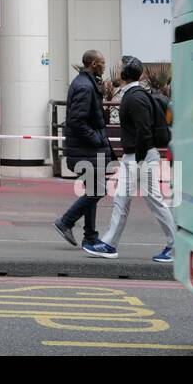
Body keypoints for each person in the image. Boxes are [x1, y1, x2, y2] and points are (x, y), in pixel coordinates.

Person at [89, 56, 176, 262]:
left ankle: (176, 246)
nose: (117, 70)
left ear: (127, 73)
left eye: (120, 67)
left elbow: (144, 131)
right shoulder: (134, 95)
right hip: (138, 157)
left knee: (154, 202)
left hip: (141, 158)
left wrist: (138, 160)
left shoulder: (135, 98)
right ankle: (109, 244)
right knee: (121, 199)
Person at [53, 50, 114, 251]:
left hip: (86, 149)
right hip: (87, 149)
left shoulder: (86, 83)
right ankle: (66, 222)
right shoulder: (85, 87)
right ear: (93, 63)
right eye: (102, 63)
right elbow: (76, 120)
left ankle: (90, 237)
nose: (105, 66)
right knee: (98, 190)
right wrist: (96, 138)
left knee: (92, 190)